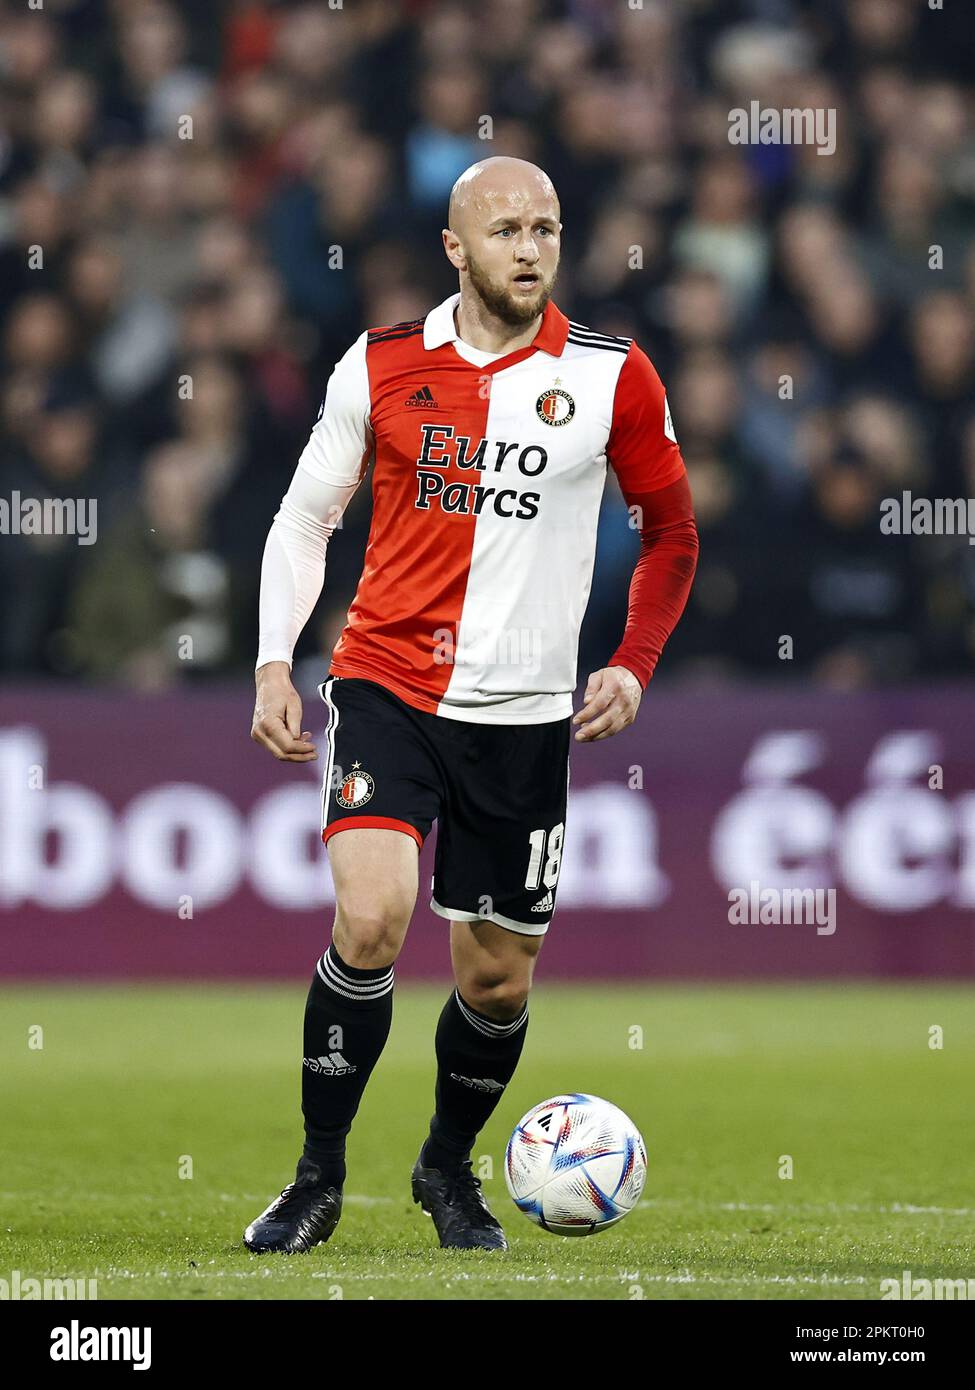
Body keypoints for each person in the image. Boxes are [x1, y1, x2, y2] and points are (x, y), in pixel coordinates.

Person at [243, 157, 698, 1253]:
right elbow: (307, 521)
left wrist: (633, 660)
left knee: (494, 981)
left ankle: (446, 1170)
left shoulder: (612, 374)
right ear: (457, 248)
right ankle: (317, 1178)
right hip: (387, 685)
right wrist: (272, 659)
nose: (531, 247)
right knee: (371, 916)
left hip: (529, 714)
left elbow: (671, 534)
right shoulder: (383, 363)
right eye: (506, 230)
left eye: (546, 226)